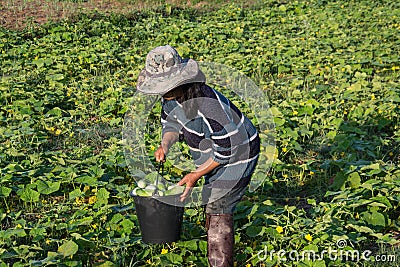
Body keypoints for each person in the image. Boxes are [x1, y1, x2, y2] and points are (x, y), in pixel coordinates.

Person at [136, 45, 260, 267]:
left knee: (218, 206)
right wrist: (165, 144)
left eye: (166, 86)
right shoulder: (171, 97)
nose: (163, 92)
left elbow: (226, 149)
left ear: (181, 81)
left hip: (239, 152)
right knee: (213, 200)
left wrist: (195, 175)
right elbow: (171, 123)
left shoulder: (207, 104)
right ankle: (213, 230)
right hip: (214, 152)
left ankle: (220, 261)